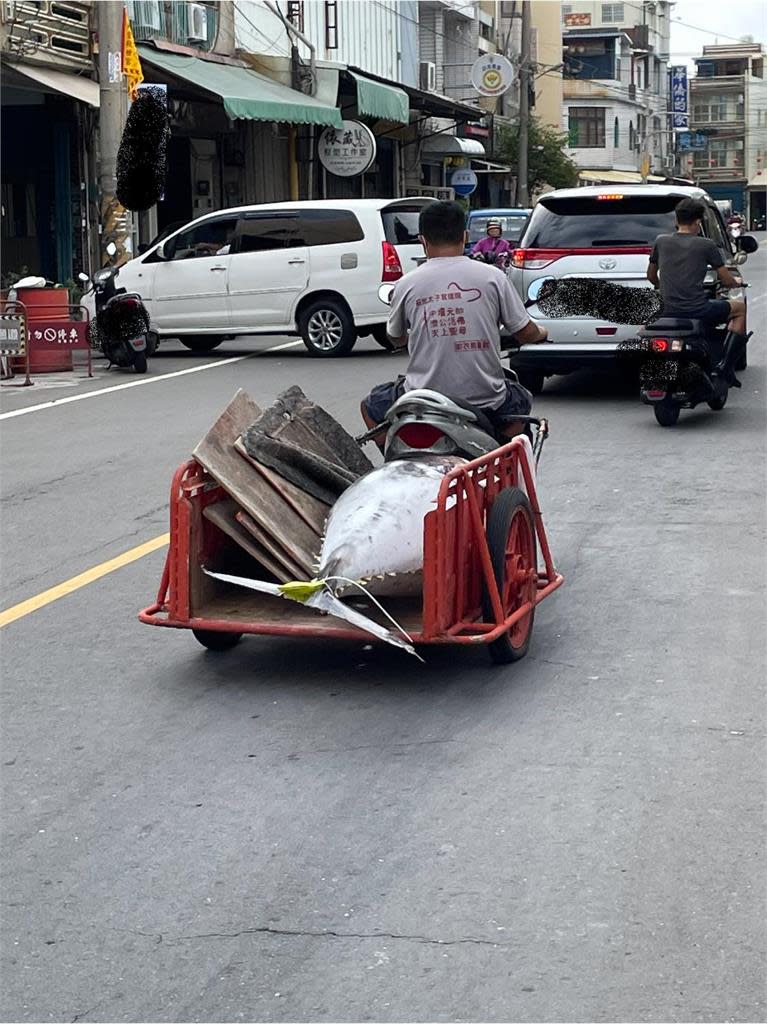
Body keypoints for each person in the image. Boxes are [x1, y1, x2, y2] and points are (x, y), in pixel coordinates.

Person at [361, 201, 549, 441]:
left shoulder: (406, 284)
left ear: (423, 240)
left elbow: (396, 337)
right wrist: (541, 332)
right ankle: (500, 456)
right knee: (521, 399)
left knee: (370, 405)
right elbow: (525, 333)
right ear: (465, 236)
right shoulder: (493, 277)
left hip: (423, 400)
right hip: (487, 401)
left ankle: (394, 454)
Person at [646, 197, 749, 385]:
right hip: (697, 309)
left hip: (666, 309)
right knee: (739, 308)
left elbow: (651, 276)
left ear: (676, 221)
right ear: (698, 222)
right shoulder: (706, 244)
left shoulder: (661, 241)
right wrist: (736, 283)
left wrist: (665, 287)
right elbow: (725, 278)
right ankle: (725, 366)